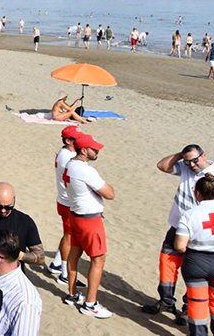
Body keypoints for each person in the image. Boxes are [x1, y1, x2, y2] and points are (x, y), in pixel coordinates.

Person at [143, 145, 214, 324]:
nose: (192, 164)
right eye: (188, 161)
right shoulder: (186, 169)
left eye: (195, 160)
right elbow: (162, 166)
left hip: (198, 233)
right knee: (167, 265)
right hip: (177, 226)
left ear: (204, 155)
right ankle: (166, 301)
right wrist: (181, 155)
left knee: (194, 273)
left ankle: (187, 309)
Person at [64, 134, 115, 318]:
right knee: (98, 259)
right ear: (84, 150)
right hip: (89, 220)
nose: (97, 151)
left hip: (76, 215)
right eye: (94, 149)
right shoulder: (86, 171)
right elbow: (110, 194)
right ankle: (91, 303)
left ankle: (72, 293)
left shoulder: (70, 164)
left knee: (74, 254)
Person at [174, 174, 214, 336]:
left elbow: (180, 247)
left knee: (197, 302)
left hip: (196, 262)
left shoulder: (190, 215)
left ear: (198, 193)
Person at [46, 126, 87, 288]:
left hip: (65, 201)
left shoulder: (64, 153)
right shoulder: (69, 158)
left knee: (68, 236)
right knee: (70, 238)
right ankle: (64, 273)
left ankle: (56, 264)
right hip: (68, 203)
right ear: (68, 141)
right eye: (77, 138)